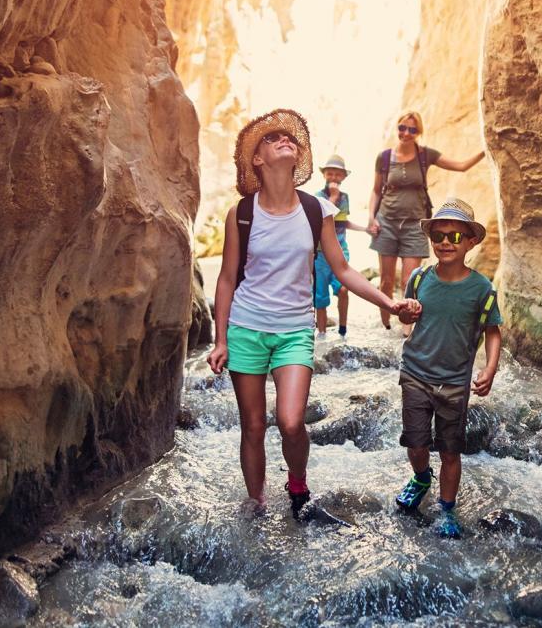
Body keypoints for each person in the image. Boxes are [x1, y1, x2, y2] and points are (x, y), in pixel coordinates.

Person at [206, 109, 421, 519]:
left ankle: (297, 482)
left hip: (293, 331)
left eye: (289, 138)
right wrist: (220, 339)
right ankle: (256, 505)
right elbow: (227, 279)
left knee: (290, 422)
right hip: (246, 328)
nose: (283, 140)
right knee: (251, 426)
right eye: (272, 139)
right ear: (258, 159)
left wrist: (387, 302)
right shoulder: (242, 212)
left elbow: (342, 270)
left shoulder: (316, 209)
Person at [392, 198, 502, 538]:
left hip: (454, 383)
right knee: (416, 443)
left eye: (454, 237)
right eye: (439, 235)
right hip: (415, 374)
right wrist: (405, 315)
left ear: (470, 242)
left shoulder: (482, 288)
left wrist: (490, 368)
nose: (445, 242)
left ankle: (447, 509)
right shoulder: (420, 277)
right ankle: (422, 476)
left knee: (451, 450)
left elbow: (493, 331)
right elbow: (406, 319)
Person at [368, 111, 486, 334]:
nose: (406, 133)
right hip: (387, 223)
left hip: (414, 225)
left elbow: (461, 166)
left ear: (418, 132)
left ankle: (406, 331)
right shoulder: (384, 158)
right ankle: (384, 327)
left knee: (409, 281)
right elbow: (375, 191)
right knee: (385, 281)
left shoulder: (425, 155)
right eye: (402, 128)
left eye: (412, 130)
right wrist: (371, 218)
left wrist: (486, 147)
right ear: (397, 127)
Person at [313, 154, 367, 340]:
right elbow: (320, 217)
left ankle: (343, 330)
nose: (334, 178)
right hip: (320, 254)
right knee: (320, 296)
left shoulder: (345, 198)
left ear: (343, 177)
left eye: (338, 174)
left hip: (341, 251)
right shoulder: (318, 197)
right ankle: (321, 334)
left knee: (344, 289)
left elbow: (343, 223)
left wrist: (365, 229)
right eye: (330, 173)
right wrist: (333, 197)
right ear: (324, 175)